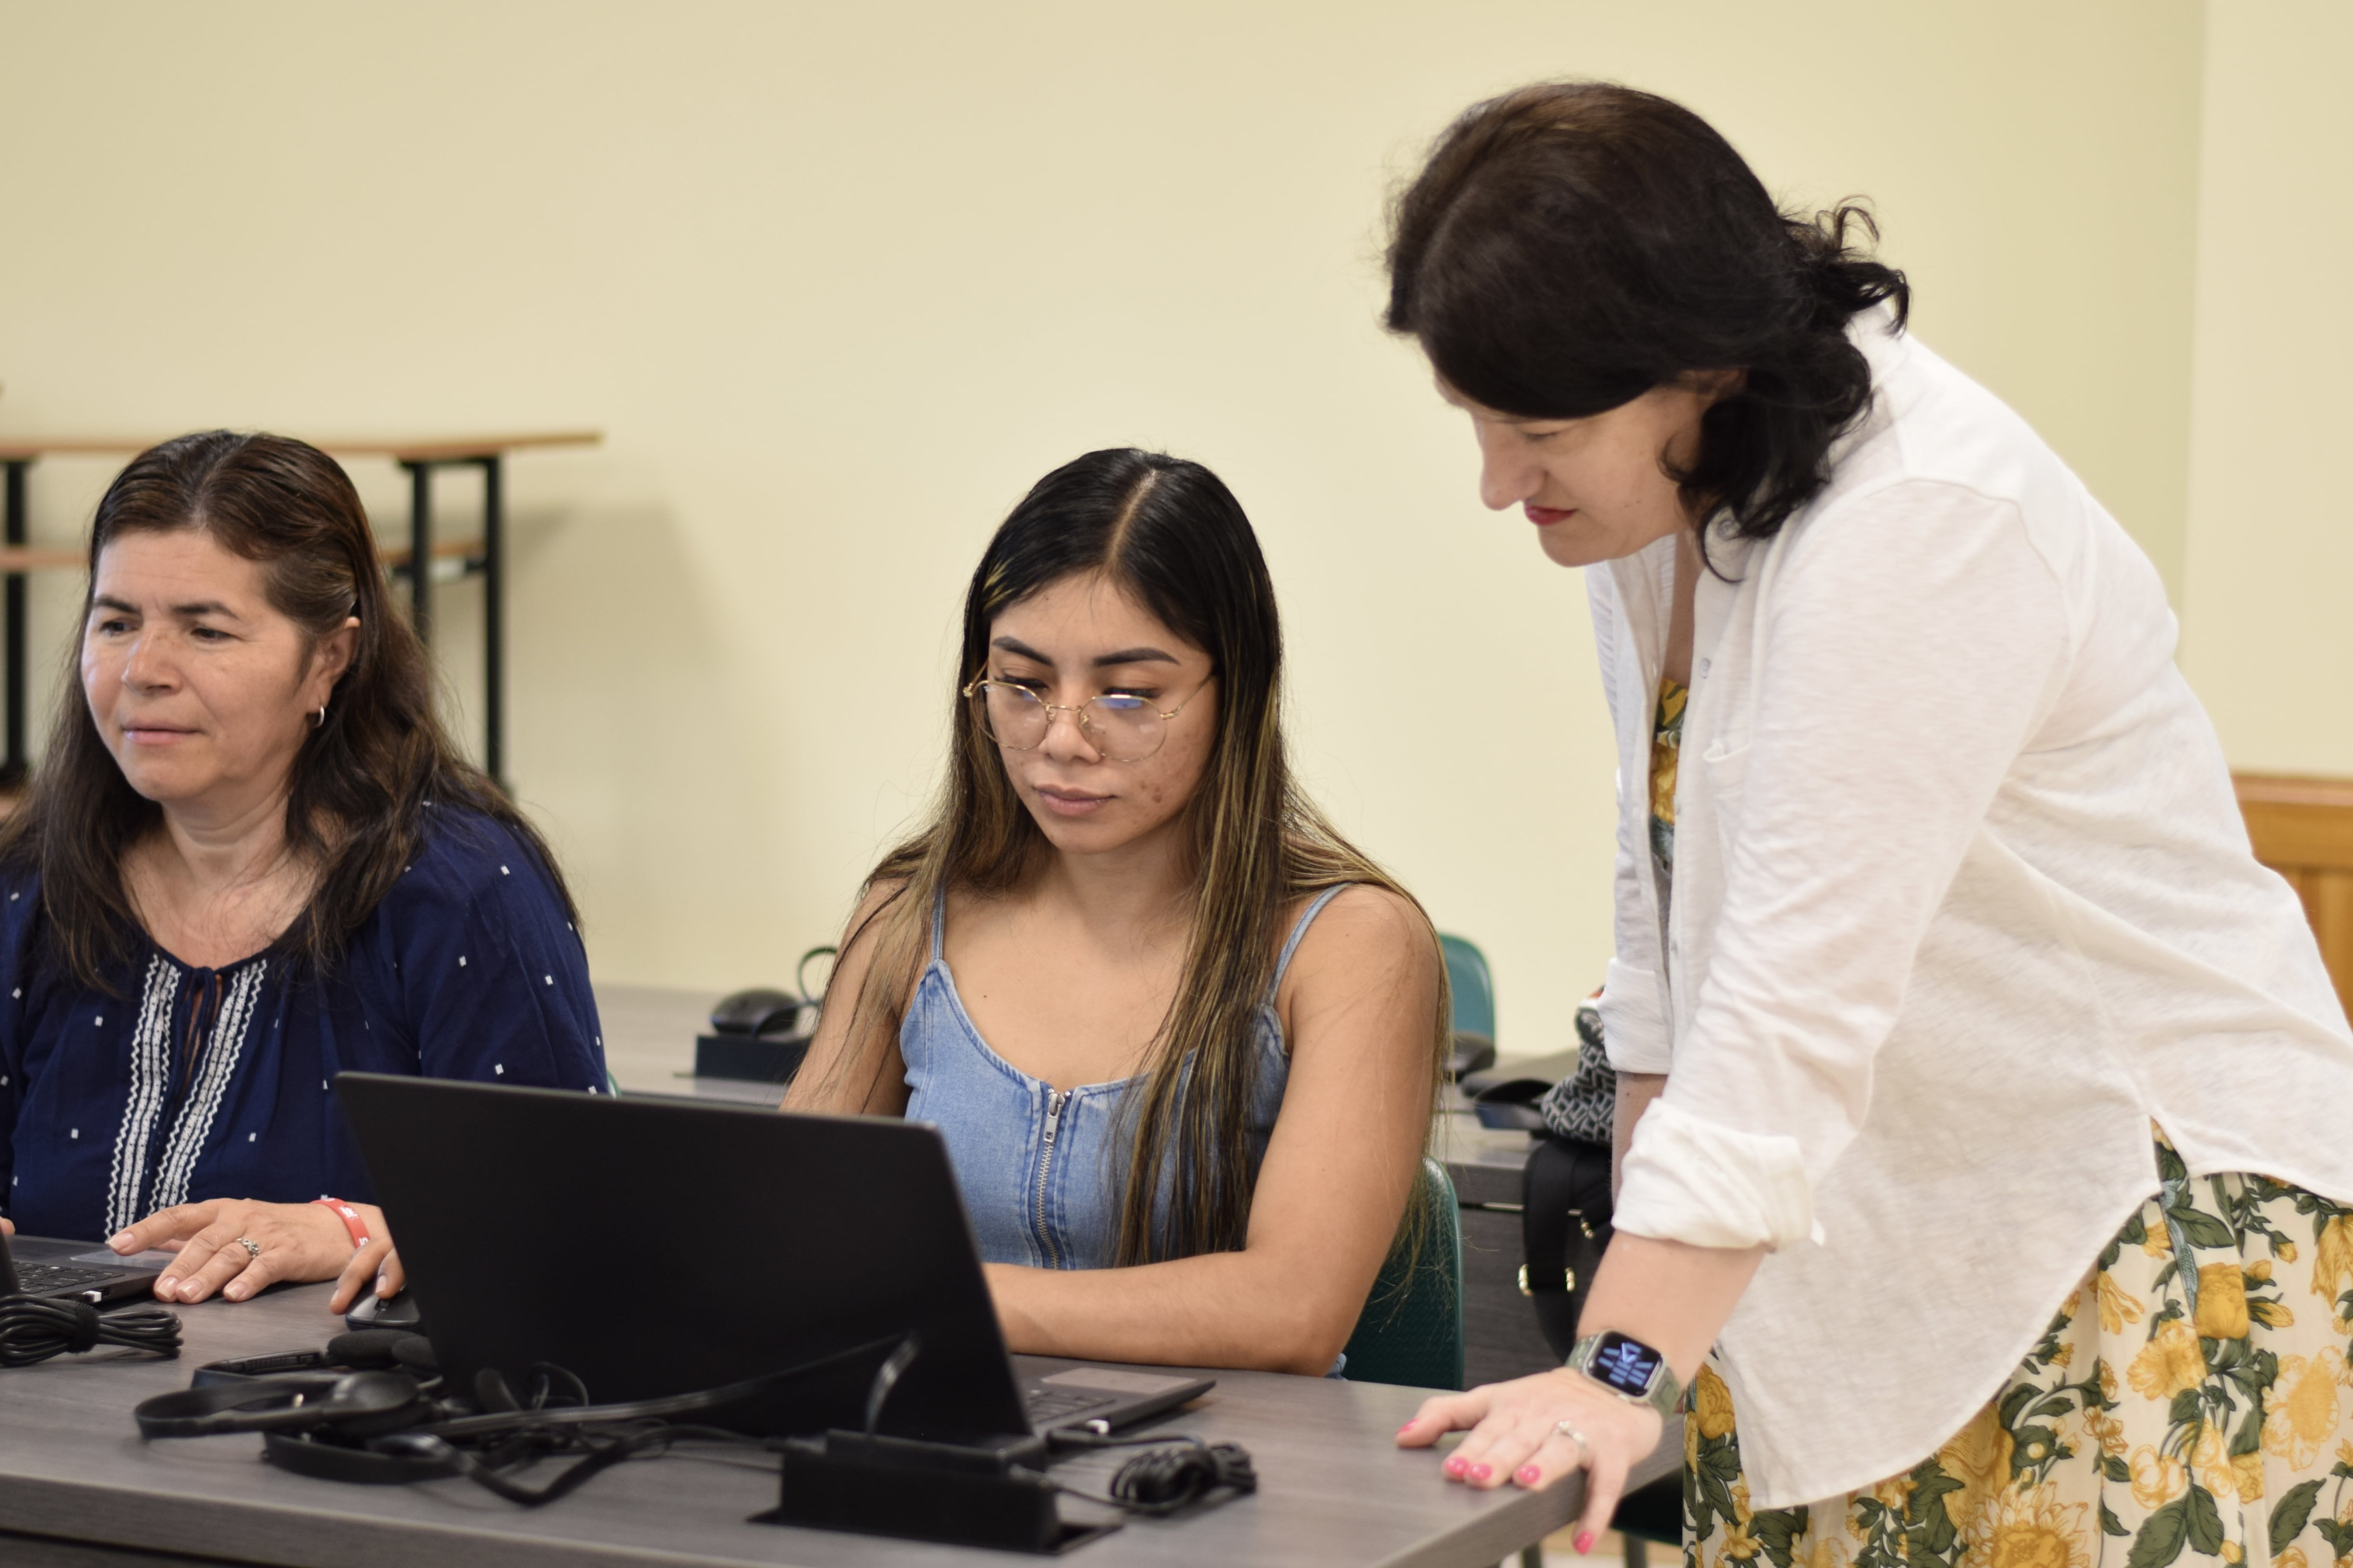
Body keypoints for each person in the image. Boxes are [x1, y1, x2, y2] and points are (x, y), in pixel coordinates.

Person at [1382, 82, 2353, 1567]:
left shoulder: (1919, 522)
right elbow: (1663, 931)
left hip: (2130, 1226)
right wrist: (1626, 1338)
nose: (1499, 485)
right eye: (1476, 425)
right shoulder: (1660, 509)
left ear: (1694, 368)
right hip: (1899, 1230)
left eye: (1536, 433)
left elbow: (1785, 1011)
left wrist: (1622, 1369)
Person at [787, 447, 1447, 1374]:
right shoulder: (905, 913)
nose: (1062, 738)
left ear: (1237, 692)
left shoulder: (1350, 943)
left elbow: (1291, 1312)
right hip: (948, 1448)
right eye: (1021, 684)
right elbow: (790, 1233)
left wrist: (944, 1295)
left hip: (1230, 1483)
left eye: (1129, 693)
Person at [0, 431, 606, 1316]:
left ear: (329, 656)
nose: (143, 671)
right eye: (116, 621)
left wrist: (364, 1225)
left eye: (206, 630)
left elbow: (577, 1222)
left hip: (328, 1429)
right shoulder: (30, 882)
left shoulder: (461, 892)